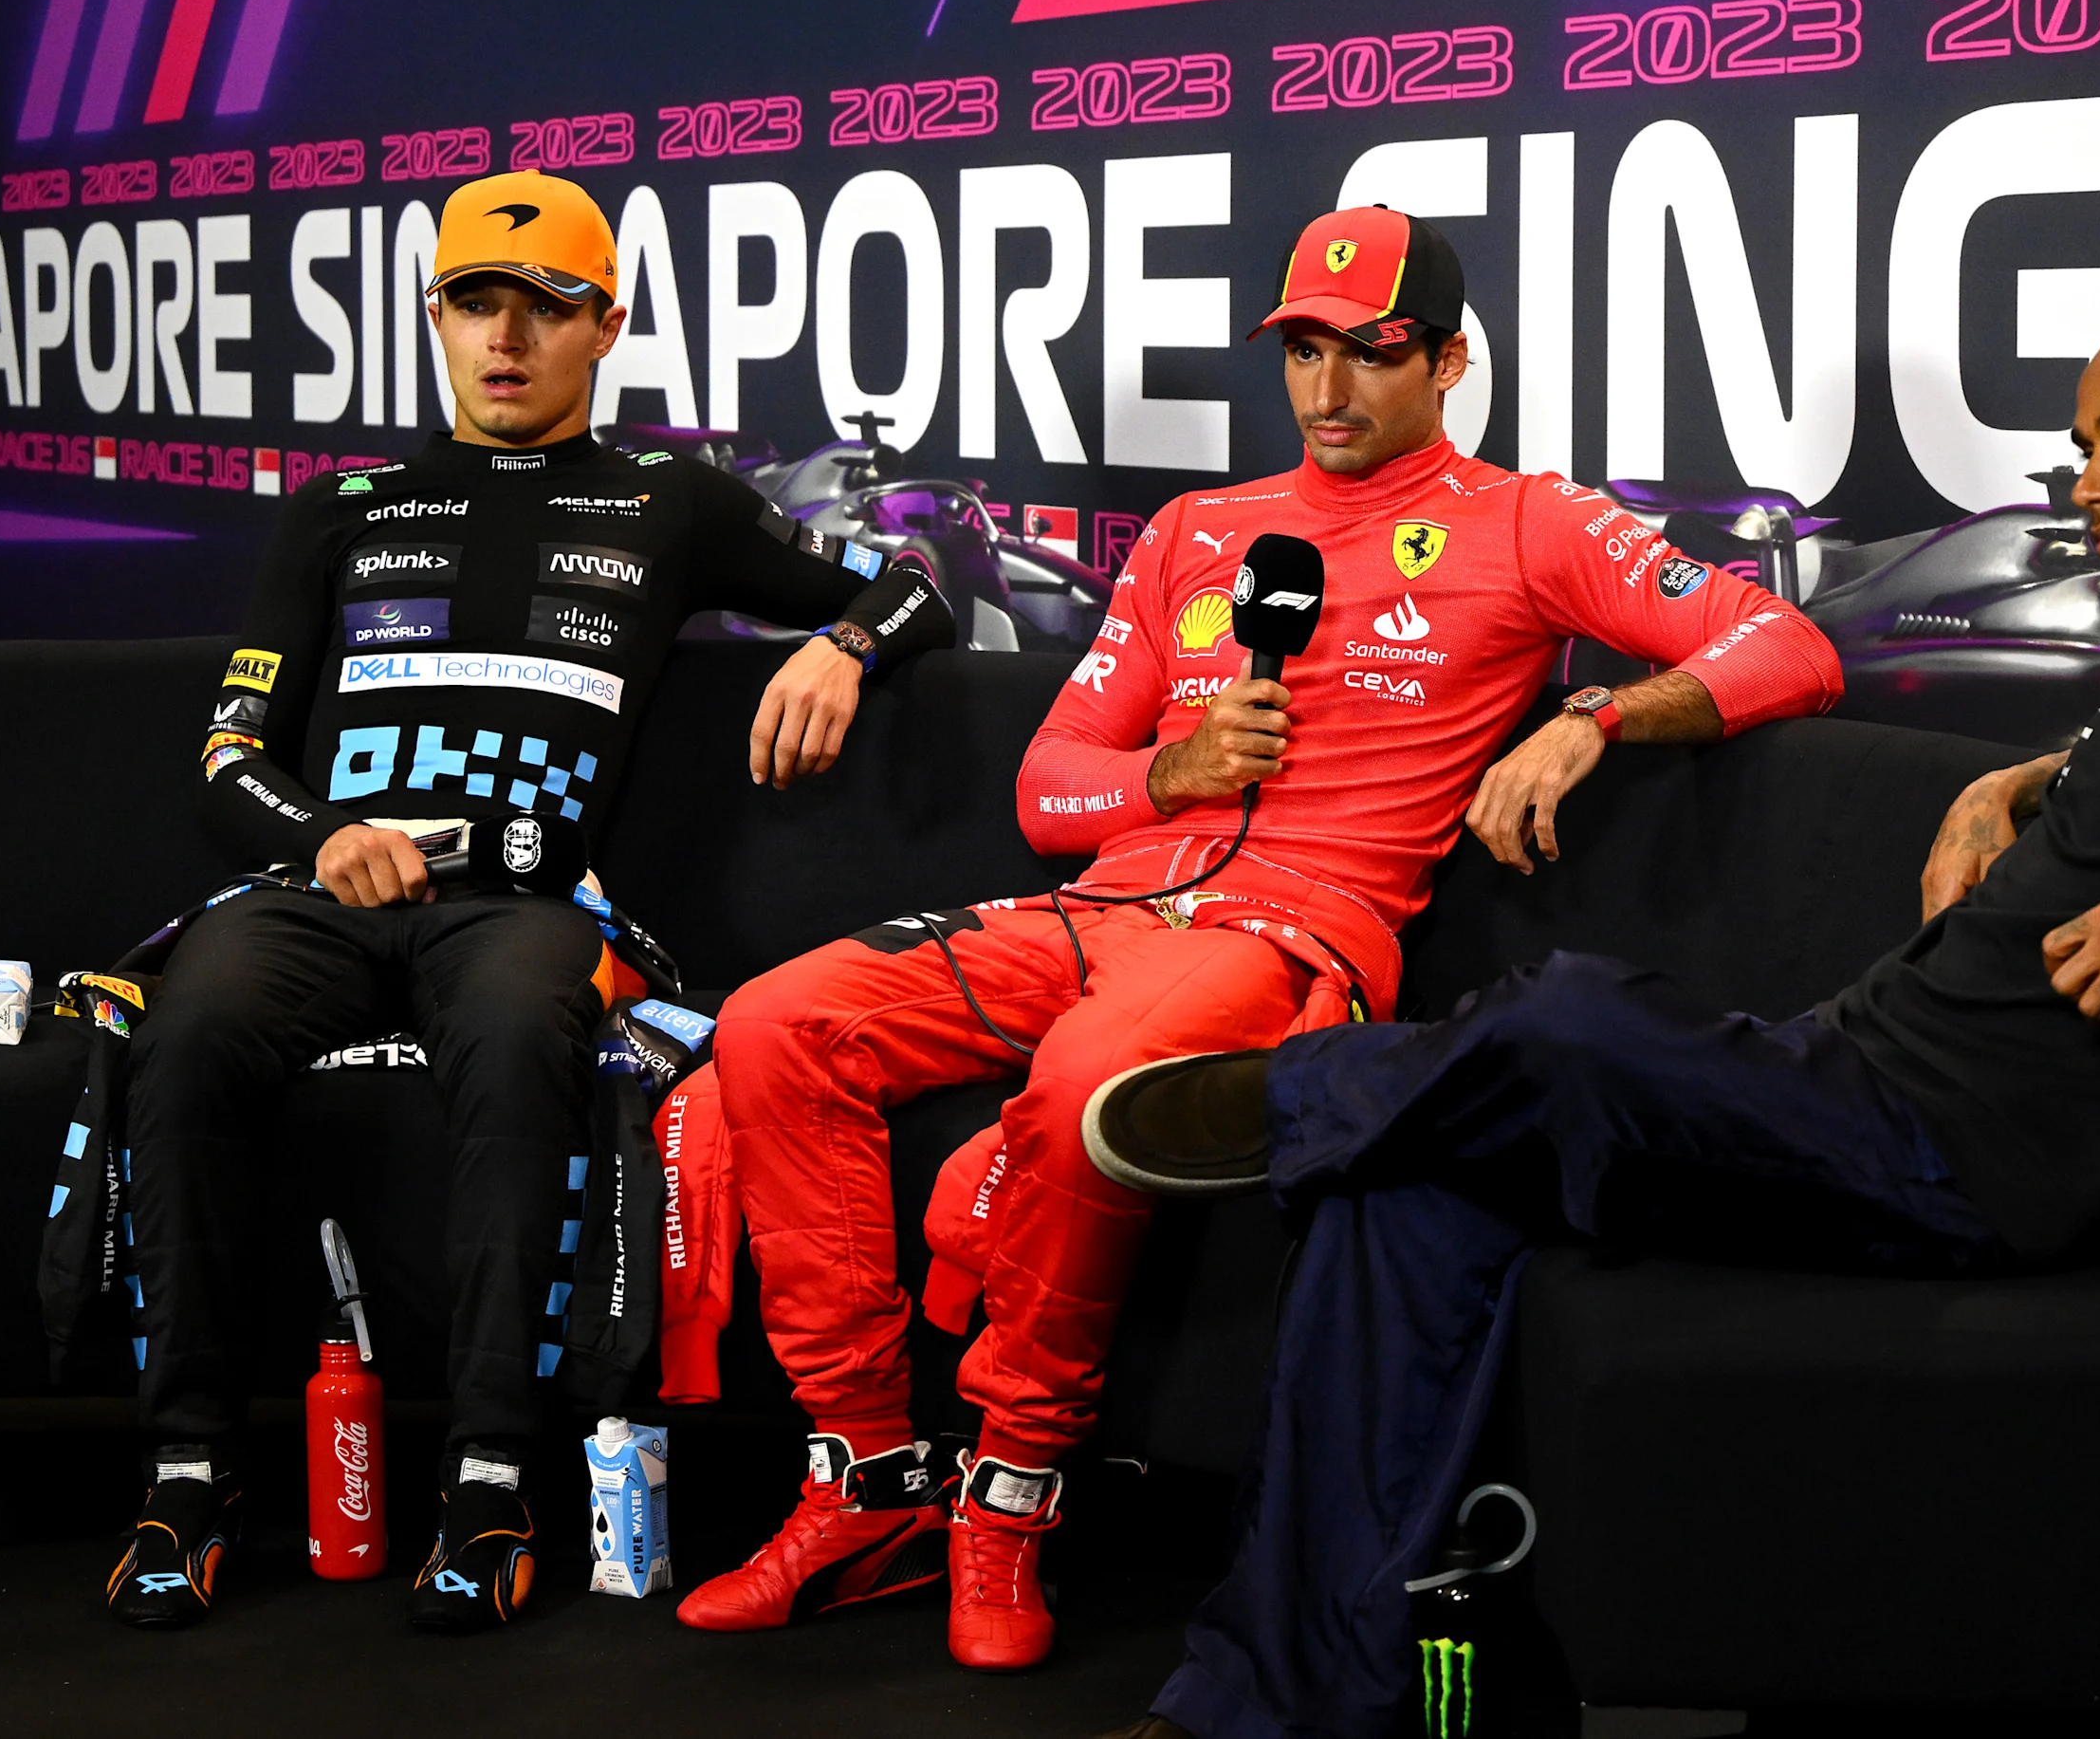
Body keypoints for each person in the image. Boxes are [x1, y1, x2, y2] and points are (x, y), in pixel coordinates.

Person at [1079, 297, 2100, 1739]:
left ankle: (1287, 1099)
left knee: (1570, 1022)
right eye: (2085, 446)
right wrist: (2015, 781)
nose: (2089, 481)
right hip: (1852, 1076)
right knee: (1401, 1196)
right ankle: (1273, 1704)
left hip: (1957, 1157)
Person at [685, 207, 1845, 1669]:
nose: (1331, 389)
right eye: (1305, 350)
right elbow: (1052, 789)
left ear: (1449, 361)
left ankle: (1012, 1493)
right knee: (780, 1022)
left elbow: (1788, 648)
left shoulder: (1528, 521)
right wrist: (1166, 776)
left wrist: (1595, 715)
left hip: (1292, 932)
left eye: (1374, 352)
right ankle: (862, 1483)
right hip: (1098, 905)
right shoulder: (1195, 532)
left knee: (1087, 1080)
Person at [104, 171, 951, 1635]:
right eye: (475, 303)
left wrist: (843, 650)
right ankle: (188, 1470)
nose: (507, 339)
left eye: (545, 308)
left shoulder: (667, 502)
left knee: (517, 1032)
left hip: (523, 906)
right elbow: (224, 757)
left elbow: (916, 585)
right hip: (322, 890)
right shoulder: (341, 512)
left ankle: (490, 1478)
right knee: (188, 1031)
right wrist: (321, 839)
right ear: (435, 315)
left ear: (604, 326)